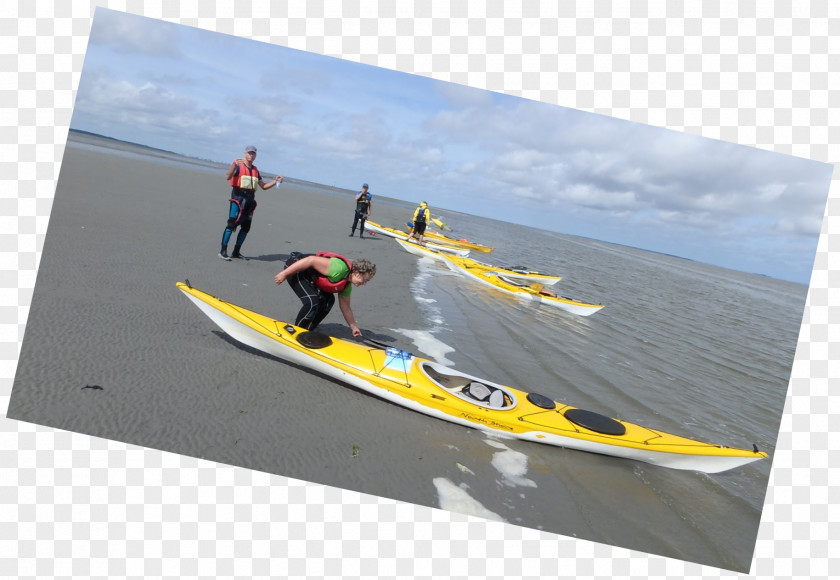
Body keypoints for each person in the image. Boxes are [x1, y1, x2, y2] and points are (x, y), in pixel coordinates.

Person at [274, 252, 376, 337]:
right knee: (312, 301)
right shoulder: (339, 268)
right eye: (365, 279)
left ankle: (307, 330)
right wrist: (284, 273)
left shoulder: (347, 285)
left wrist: (354, 327)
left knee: (328, 301)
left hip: (309, 276)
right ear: (357, 272)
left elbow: (346, 307)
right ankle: (295, 332)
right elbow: (310, 260)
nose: (365, 283)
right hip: (295, 267)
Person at [219, 145, 283, 261]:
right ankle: (223, 251)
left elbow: (263, 186)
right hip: (238, 198)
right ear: (245, 153)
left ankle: (236, 252)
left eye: (253, 153)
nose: (251, 155)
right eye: (249, 153)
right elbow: (228, 176)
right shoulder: (238, 165)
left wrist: (275, 181)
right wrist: (233, 166)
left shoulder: (255, 170)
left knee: (246, 227)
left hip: (249, 201)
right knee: (231, 224)